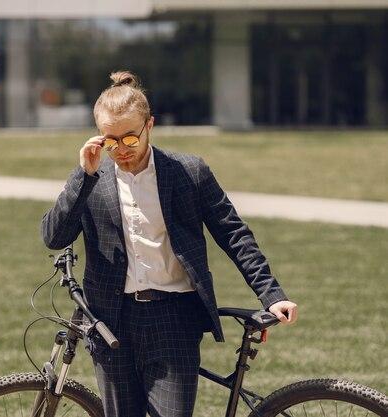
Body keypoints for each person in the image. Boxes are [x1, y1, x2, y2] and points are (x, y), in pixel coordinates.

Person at [40, 70, 297, 417]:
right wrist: (82, 176)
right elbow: (54, 236)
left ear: (150, 125)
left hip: (174, 317)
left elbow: (233, 233)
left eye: (129, 139)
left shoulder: (189, 171)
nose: (121, 150)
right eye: (110, 141)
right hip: (111, 321)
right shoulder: (93, 179)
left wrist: (272, 294)